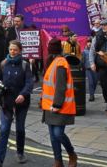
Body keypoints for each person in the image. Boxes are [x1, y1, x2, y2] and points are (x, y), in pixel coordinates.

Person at [0, 40, 33, 167]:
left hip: (21, 102)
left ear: (20, 50)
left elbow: (29, 83)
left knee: (20, 129)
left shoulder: (25, 65)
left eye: (15, 49)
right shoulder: (3, 63)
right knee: (4, 130)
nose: (12, 52)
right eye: (10, 49)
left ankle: (20, 153)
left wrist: (23, 94)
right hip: (6, 102)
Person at [41, 38, 77, 167]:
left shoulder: (60, 63)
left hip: (59, 106)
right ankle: (58, 161)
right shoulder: (52, 62)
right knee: (52, 136)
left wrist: (56, 105)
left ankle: (72, 154)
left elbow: (61, 87)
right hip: (49, 106)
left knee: (58, 134)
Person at [89, 18, 107, 117]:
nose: (103, 26)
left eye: (106, 25)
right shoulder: (98, 36)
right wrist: (92, 63)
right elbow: (92, 51)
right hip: (102, 65)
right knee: (105, 86)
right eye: (102, 25)